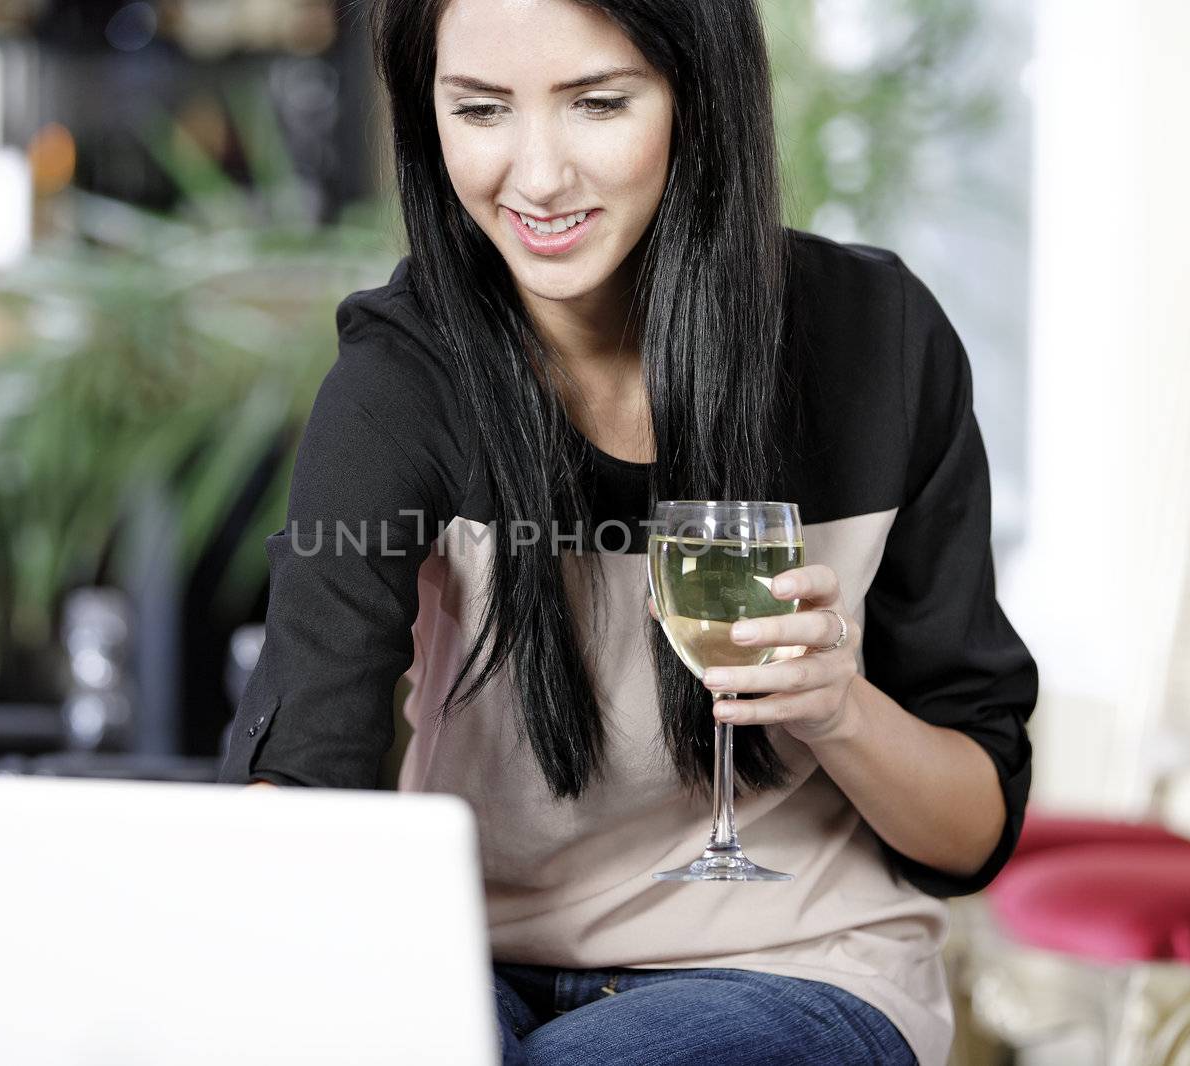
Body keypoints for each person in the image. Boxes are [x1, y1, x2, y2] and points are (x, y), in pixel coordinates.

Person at [216, 0, 1037, 1063]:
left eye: (597, 103)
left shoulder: (873, 345)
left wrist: (840, 710)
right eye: (479, 109)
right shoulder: (400, 386)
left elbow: (971, 834)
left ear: (698, 98)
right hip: (462, 958)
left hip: (799, 963)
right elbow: (306, 784)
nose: (538, 174)